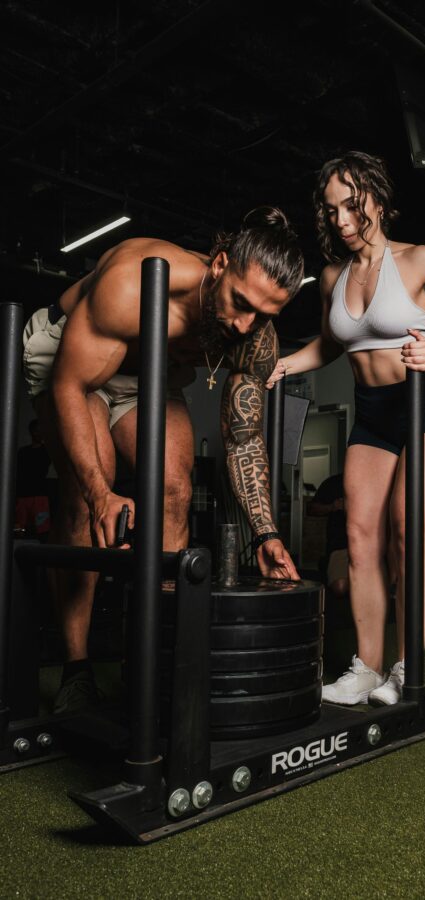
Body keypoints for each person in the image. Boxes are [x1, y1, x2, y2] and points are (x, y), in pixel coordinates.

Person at [22, 206, 304, 712]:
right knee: (92, 485)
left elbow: (242, 438)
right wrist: (99, 492)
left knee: (175, 486)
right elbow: (71, 383)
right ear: (219, 264)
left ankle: (149, 663)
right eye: (240, 302)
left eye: (263, 314)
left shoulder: (254, 335)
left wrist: (265, 532)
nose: (245, 324)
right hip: (72, 355)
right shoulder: (133, 281)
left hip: (146, 373)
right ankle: (76, 668)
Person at [267, 151, 425, 706]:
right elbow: (331, 343)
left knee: (405, 531)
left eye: (351, 205)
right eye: (331, 210)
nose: (341, 220)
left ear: (378, 199)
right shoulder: (330, 277)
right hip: (372, 413)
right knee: (360, 541)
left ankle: (403, 668)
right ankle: (365, 669)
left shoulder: (420, 261)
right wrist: (286, 364)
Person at [306, 472, 348, 597]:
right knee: (340, 587)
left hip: (372, 548)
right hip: (341, 545)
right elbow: (312, 509)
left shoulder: (375, 480)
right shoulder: (335, 482)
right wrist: (333, 506)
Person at [14, 418, 52, 538]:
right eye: (36, 430)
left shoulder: (46, 450)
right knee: (19, 529)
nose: (39, 433)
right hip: (23, 495)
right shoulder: (23, 452)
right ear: (32, 432)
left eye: (41, 430)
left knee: (42, 530)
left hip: (39, 495)